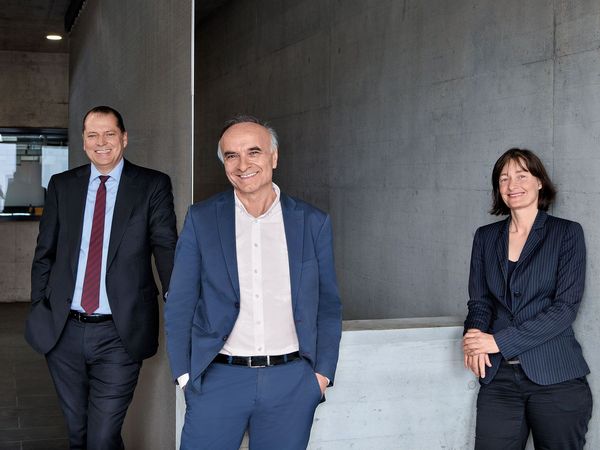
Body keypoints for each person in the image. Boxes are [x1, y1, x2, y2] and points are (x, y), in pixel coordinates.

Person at [165, 115, 342, 450]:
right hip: (218, 379)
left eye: (253, 152)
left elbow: (328, 305)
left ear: (274, 157)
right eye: (231, 155)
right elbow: (180, 303)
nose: (242, 164)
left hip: (291, 381)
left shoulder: (312, 222)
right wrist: (186, 377)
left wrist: (321, 375)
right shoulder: (202, 218)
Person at [25, 105, 178, 450]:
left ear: (124, 138)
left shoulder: (151, 185)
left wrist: (179, 303)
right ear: (83, 141)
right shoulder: (62, 185)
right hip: (63, 330)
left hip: (120, 332)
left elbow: (166, 248)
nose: (101, 142)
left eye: (109, 133)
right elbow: (44, 252)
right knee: (78, 434)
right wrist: (40, 306)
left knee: (102, 436)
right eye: (93, 135)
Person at [462, 148, 593, 449]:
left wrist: (497, 342)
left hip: (556, 377)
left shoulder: (566, 233)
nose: (512, 185)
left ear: (539, 182)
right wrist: (474, 336)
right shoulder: (485, 237)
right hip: (499, 379)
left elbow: (565, 309)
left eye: (522, 176)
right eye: (504, 178)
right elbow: (479, 301)